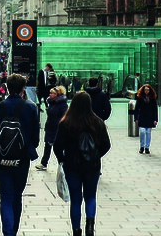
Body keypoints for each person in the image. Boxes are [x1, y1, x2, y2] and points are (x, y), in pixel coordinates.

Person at [0, 74, 39, 236]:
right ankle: (14, 230)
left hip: (2, 159)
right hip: (22, 158)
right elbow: (35, 139)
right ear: (23, 89)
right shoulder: (31, 108)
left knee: (6, 196)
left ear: (7, 88)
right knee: (17, 195)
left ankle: (8, 232)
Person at [54, 91, 111, 236]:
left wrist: (62, 160)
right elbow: (106, 144)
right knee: (91, 196)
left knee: (76, 199)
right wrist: (95, 156)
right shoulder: (97, 122)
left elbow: (57, 146)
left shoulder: (66, 122)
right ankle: (90, 226)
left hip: (72, 166)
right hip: (92, 166)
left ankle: (76, 230)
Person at [35, 85, 68, 171]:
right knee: (47, 146)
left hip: (57, 128)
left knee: (58, 148)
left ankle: (62, 163)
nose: (50, 94)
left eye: (52, 93)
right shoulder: (51, 103)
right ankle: (44, 163)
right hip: (50, 127)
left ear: (58, 94)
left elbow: (64, 117)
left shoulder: (62, 105)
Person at [134, 84, 158, 154]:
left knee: (148, 132)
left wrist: (155, 119)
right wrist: (136, 118)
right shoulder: (140, 98)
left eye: (147, 90)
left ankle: (147, 147)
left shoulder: (152, 98)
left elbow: (155, 109)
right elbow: (136, 109)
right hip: (142, 117)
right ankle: (142, 146)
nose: (146, 91)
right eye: (145, 90)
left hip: (150, 117)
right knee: (142, 132)